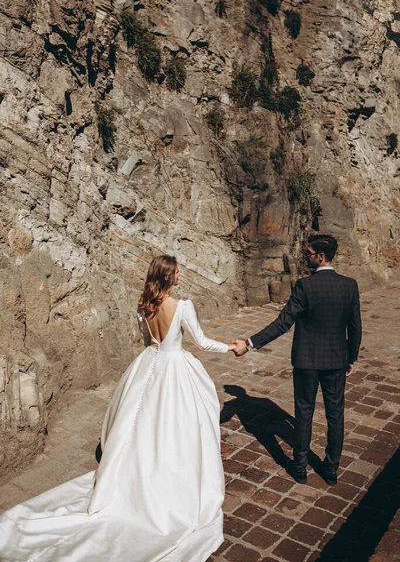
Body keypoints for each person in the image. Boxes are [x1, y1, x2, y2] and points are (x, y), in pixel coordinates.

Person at [0, 255, 235, 562]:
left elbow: (146, 341)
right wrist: (232, 346)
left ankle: (132, 474)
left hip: (149, 365)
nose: (180, 276)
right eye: (176, 273)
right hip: (175, 368)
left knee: (139, 424)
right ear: (168, 277)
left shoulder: (144, 305)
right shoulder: (183, 307)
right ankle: (166, 483)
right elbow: (202, 343)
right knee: (176, 427)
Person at [233, 235, 362, 486]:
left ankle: (300, 466)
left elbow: (283, 323)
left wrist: (250, 343)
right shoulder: (350, 285)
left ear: (321, 257)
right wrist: (351, 357)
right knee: (336, 415)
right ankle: (331, 469)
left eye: (308, 253)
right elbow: (355, 327)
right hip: (336, 360)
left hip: (306, 361)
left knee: (304, 413)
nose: (306, 257)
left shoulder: (305, 286)